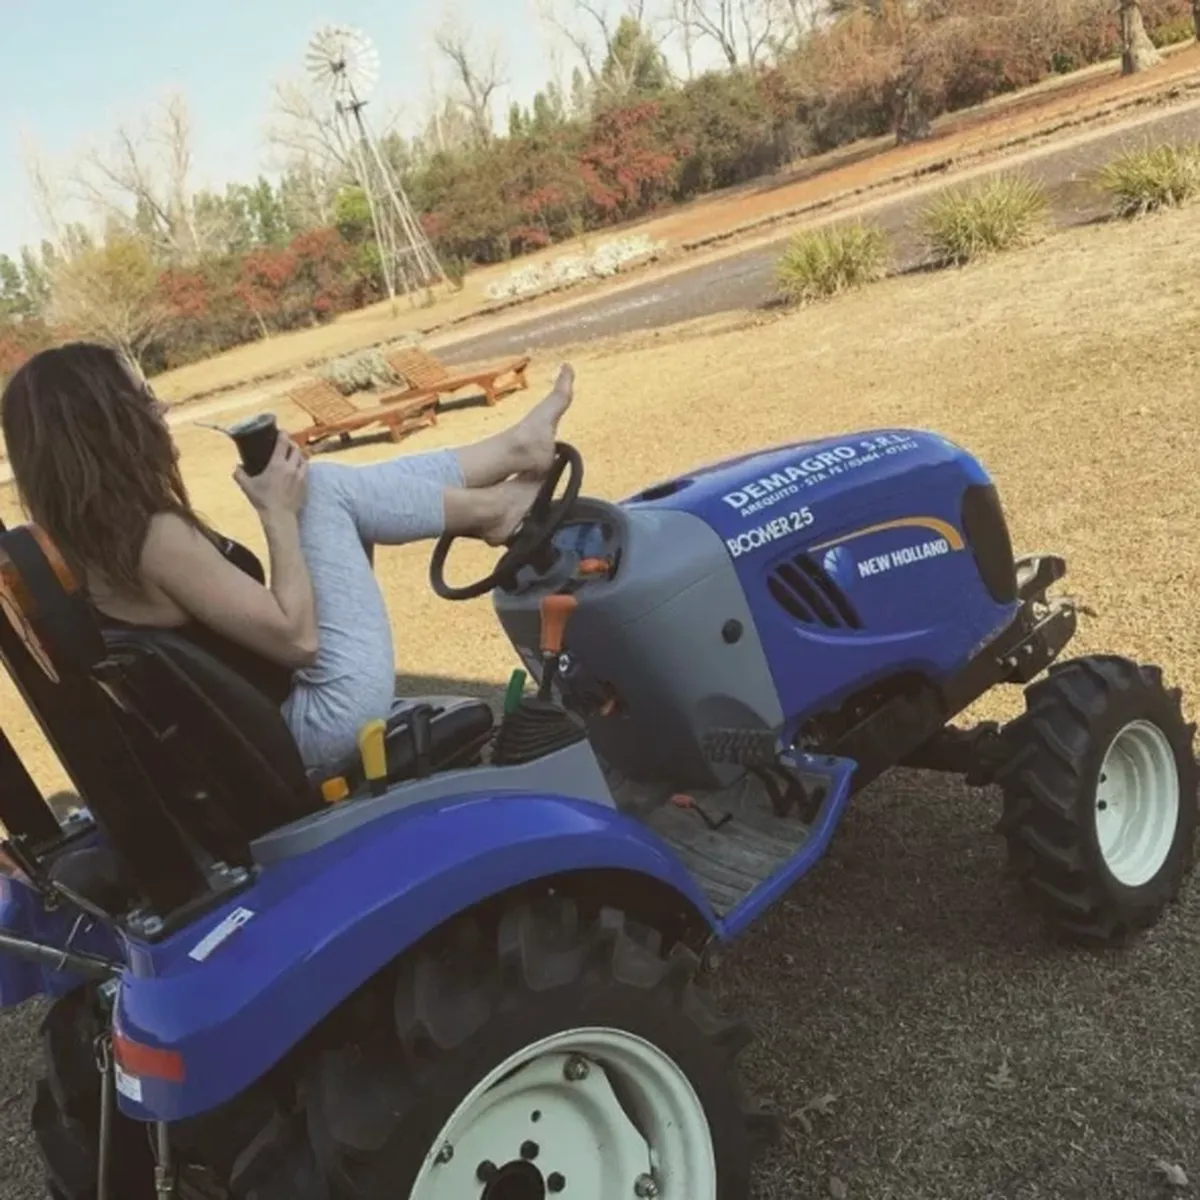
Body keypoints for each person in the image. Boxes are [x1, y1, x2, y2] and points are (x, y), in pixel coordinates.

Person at [0, 341, 575, 772]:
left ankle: (509, 458)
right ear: (106, 426)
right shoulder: (153, 539)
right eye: (144, 398)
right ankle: (498, 505)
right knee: (319, 490)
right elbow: (298, 640)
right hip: (316, 723)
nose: (162, 405)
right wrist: (276, 513)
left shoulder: (96, 545)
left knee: (328, 489)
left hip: (280, 723)